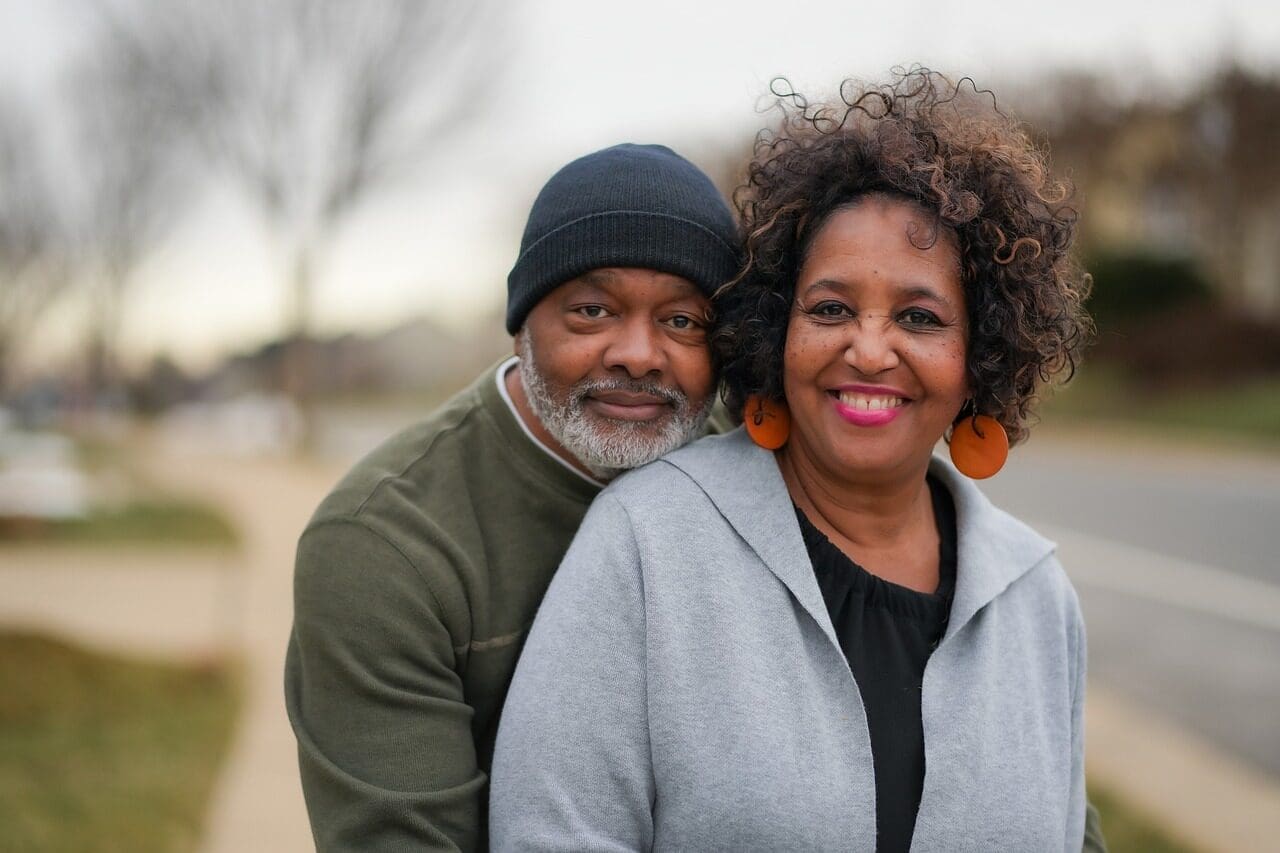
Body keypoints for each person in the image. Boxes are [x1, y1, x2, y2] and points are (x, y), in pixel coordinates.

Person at [491, 70, 1100, 851]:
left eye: (918, 316)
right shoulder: (647, 542)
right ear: (777, 333)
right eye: (831, 309)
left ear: (977, 355)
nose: (869, 348)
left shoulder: (1037, 596)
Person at [284, 142, 740, 851]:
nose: (640, 353)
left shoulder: (750, 459)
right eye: (592, 310)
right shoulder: (382, 545)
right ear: (523, 322)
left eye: (683, 320)